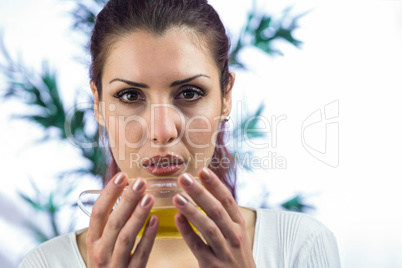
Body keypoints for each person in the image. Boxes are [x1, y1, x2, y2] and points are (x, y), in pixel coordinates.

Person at [20, 0, 341, 267]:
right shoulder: (45, 263)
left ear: (226, 96)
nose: (163, 131)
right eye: (130, 96)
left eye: (189, 93)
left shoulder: (299, 245)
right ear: (98, 104)